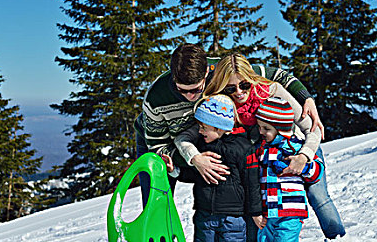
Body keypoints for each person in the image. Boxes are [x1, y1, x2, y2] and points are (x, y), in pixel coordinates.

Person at [184, 53, 353, 242]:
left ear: (251, 79)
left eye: (244, 85)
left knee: (317, 195)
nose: (239, 93)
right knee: (253, 205)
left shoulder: (271, 91)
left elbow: (311, 128)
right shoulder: (221, 106)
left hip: (300, 148)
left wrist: (304, 156)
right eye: (230, 88)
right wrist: (194, 156)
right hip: (268, 159)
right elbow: (188, 133)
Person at [133, 43, 323, 206]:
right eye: (183, 91)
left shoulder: (220, 71)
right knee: (156, 203)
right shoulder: (156, 98)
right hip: (162, 141)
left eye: (197, 90)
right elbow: (158, 146)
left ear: (207, 72)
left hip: (202, 136)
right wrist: (193, 159)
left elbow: (276, 75)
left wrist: (306, 98)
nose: (191, 98)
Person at [163, 94, 262, 242]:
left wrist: (255, 212)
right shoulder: (202, 148)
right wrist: (175, 170)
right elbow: (193, 175)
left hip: (233, 218)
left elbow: (252, 184)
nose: (199, 131)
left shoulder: (243, 149)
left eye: (203, 127)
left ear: (218, 127)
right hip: (205, 214)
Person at [253, 97, 324, 242]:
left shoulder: (295, 148)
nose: (261, 132)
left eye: (266, 128)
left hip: (289, 212)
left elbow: (317, 172)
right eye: (260, 127)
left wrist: (303, 166)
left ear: (282, 128)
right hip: (268, 211)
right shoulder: (261, 150)